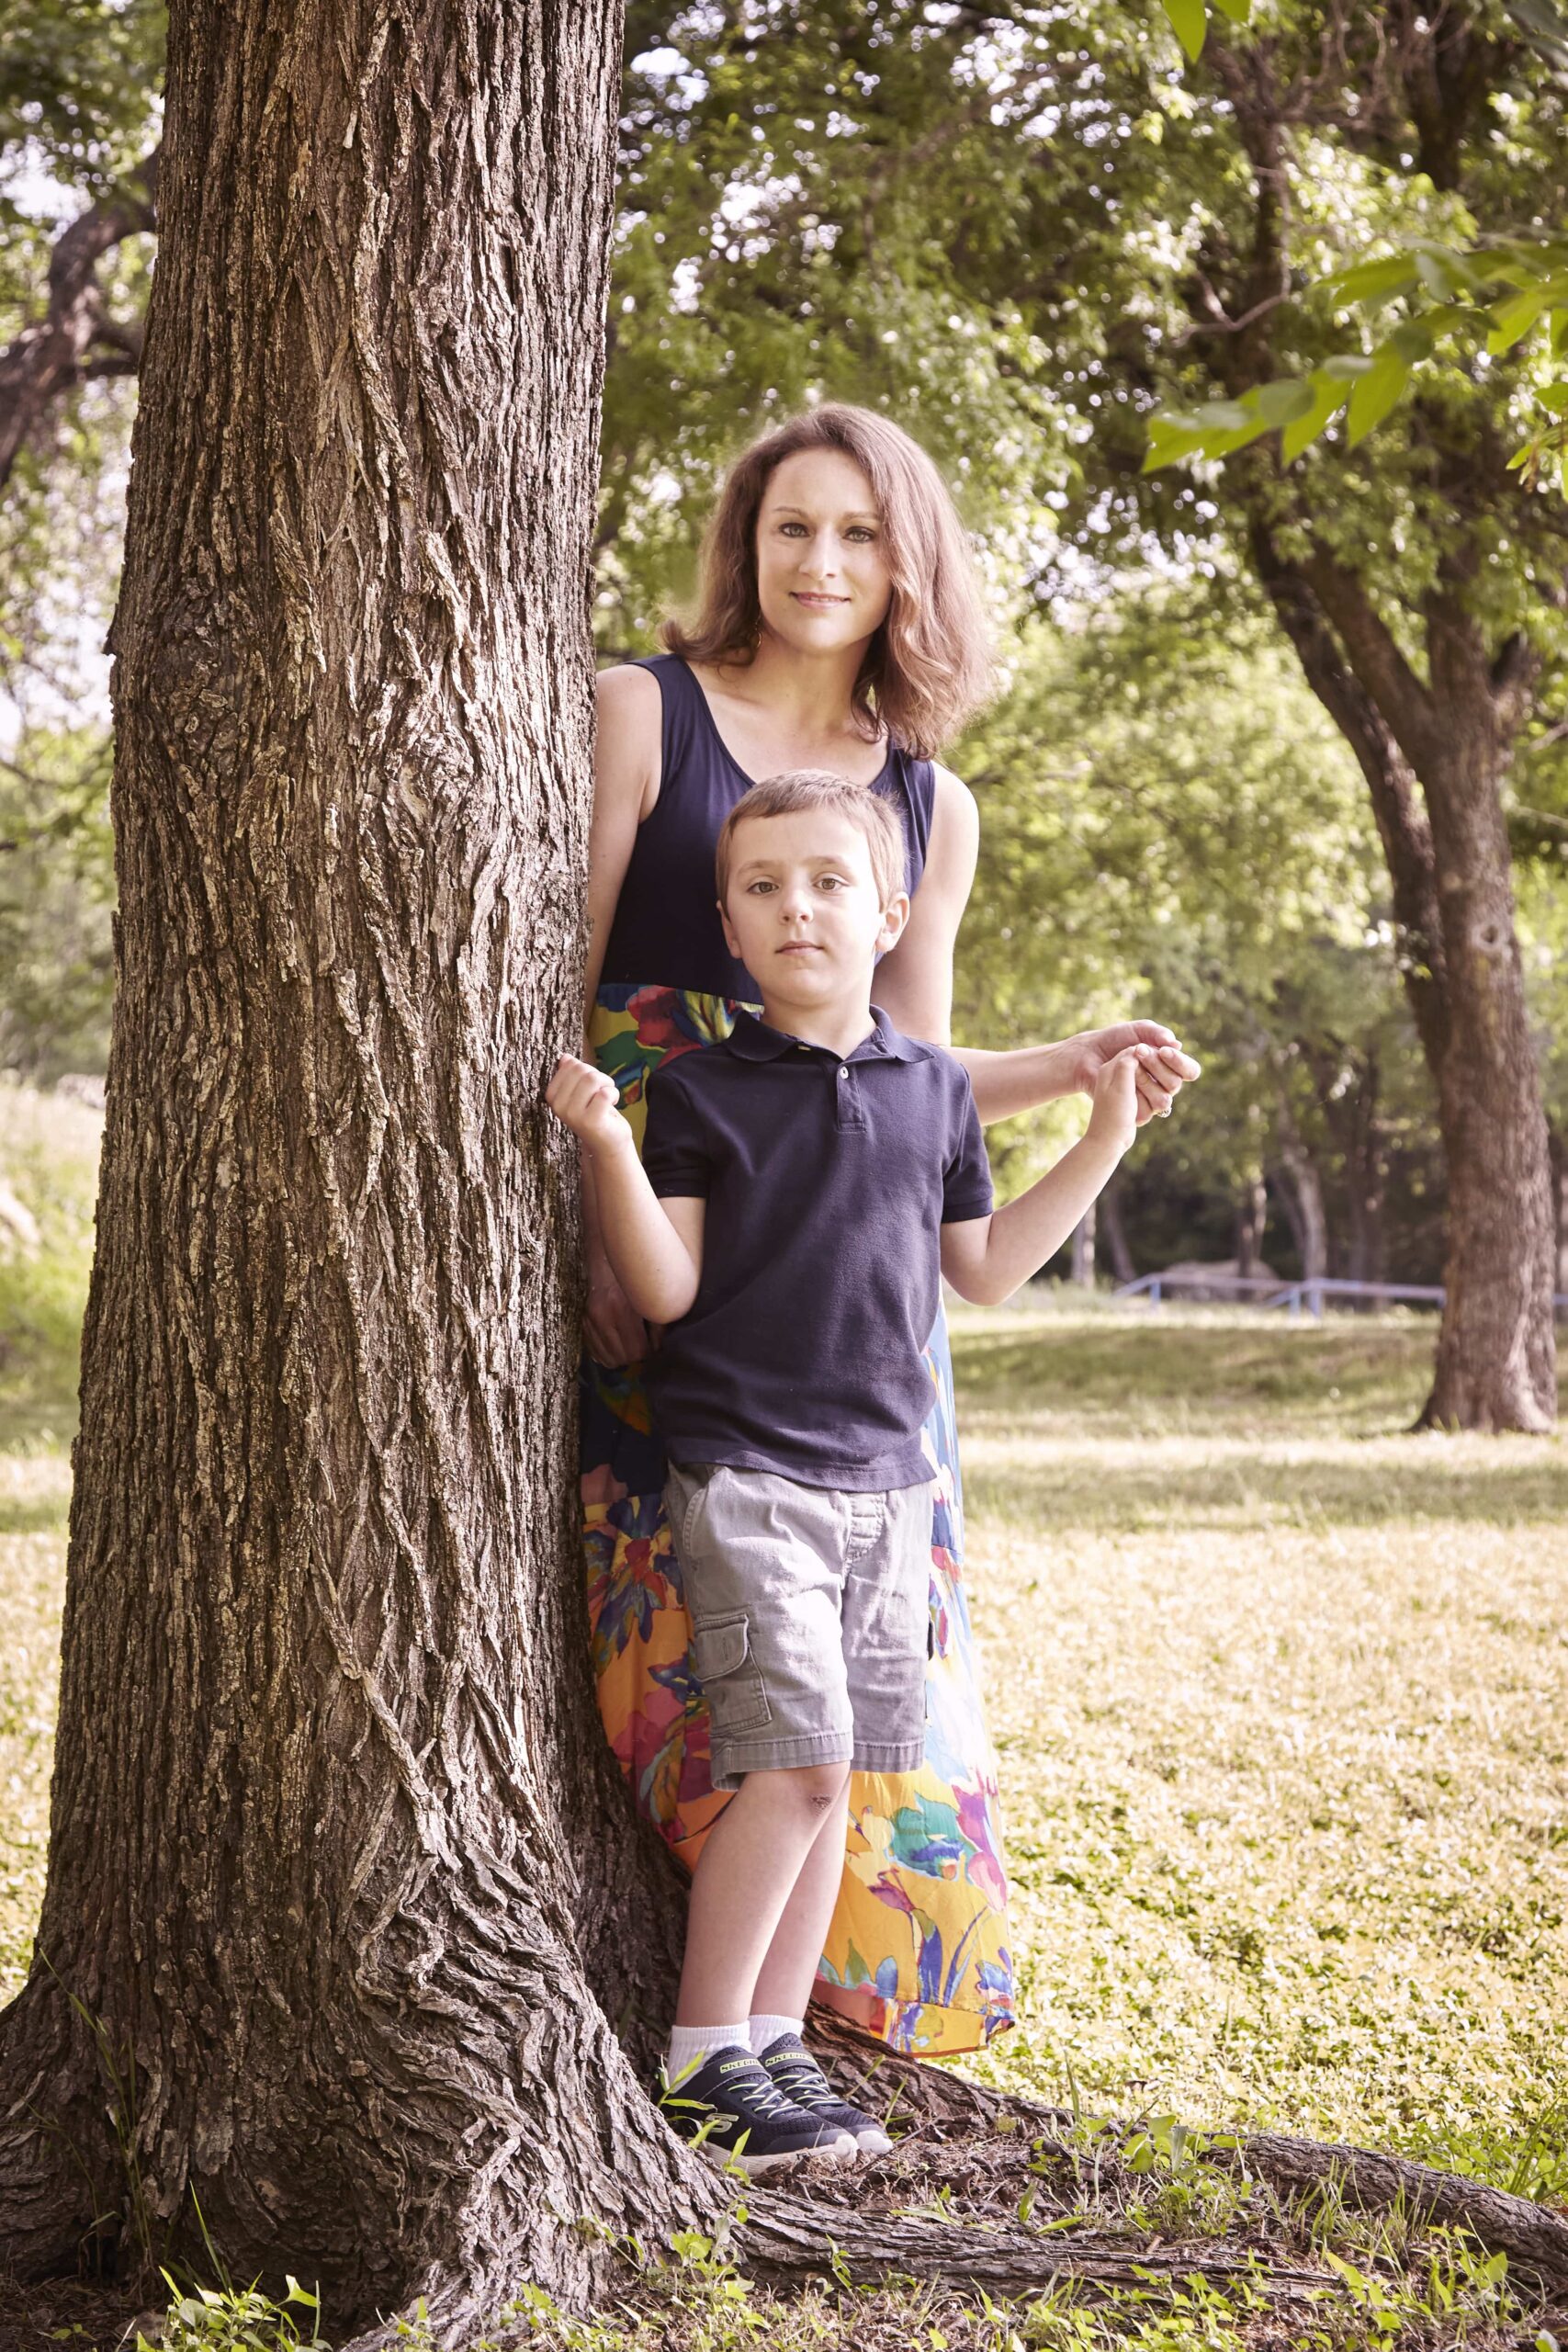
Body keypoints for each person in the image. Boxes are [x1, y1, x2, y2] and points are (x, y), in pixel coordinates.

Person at [581, 401, 1198, 2058]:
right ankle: (705, 2012)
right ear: (747, 543)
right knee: (687, 1619)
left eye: (861, 533)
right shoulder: (640, 713)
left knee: (856, 1662)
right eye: (794, 527)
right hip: (665, 1206)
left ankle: (811, 2012)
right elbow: (553, 997)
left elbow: (906, 1069)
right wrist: (584, 1222)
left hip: (837, 1291)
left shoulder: (934, 803)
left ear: (908, 560)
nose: (824, 562)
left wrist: (1069, 1069)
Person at [549, 770, 1182, 2172]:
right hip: (749, 1479)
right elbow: (661, 1289)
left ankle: (773, 2045)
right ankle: (708, 2053)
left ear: (890, 911)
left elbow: (990, 1271)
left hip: (893, 1488)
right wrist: (606, 1148)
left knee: (836, 1778)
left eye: (831, 882)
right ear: (728, 919)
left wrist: (1102, 1135)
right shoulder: (698, 1092)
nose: (798, 908)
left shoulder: (934, 1093)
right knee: (796, 1763)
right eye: (765, 887)